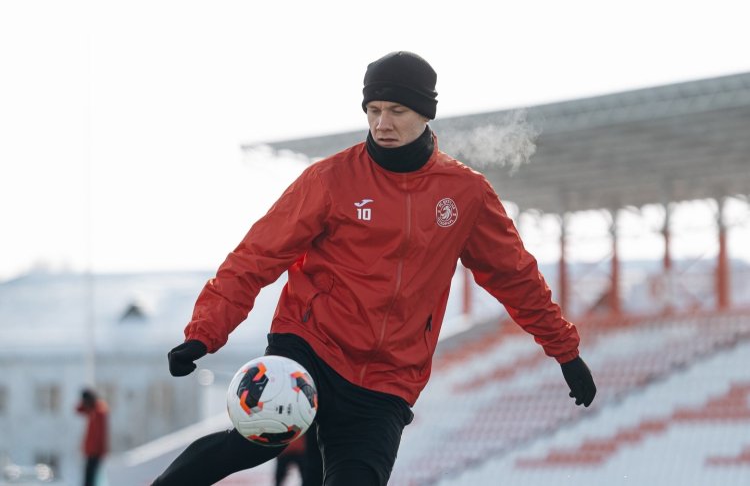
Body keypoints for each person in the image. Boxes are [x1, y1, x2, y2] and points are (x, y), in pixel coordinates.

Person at [153, 51, 596, 486]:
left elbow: (514, 276)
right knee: (254, 443)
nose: (382, 123)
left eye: (396, 111)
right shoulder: (330, 179)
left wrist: (565, 352)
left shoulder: (466, 194)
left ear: (425, 113)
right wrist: (203, 333)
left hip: (389, 376)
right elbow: (256, 257)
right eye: (373, 110)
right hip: (312, 345)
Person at [75, 388, 109, 486]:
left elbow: (100, 435)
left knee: (91, 478)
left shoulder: (99, 410)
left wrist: (101, 451)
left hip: (96, 452)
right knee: (88, 477)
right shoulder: (92, 409)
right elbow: (78, 410)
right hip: (90, 451)